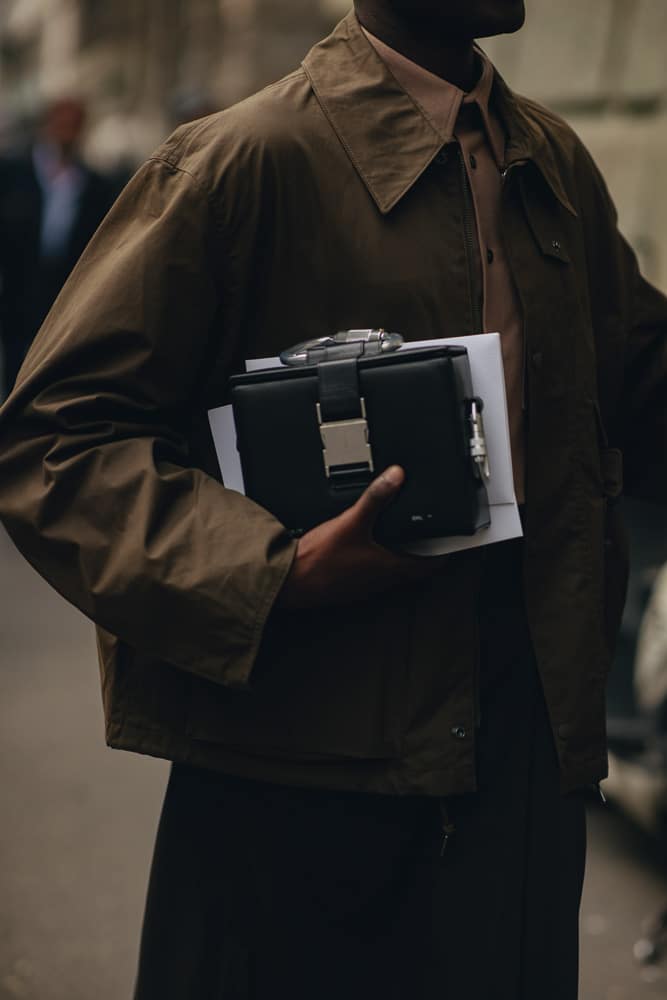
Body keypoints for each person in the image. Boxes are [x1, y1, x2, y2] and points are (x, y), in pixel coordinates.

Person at [0, 2, 665, 997]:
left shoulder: (548, 159)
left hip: (517, 762)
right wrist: (273, 572)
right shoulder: (244, 158)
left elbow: (634, 384)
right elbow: (58, 442)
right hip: (298, 770)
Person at [0, 98, 115, 397]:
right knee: (14, 367)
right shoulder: (14, 172)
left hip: (64, 290)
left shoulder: (94, 185)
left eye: (73, 126)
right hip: (18, 289)